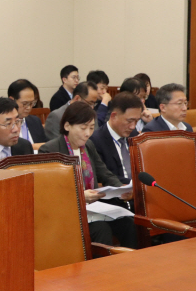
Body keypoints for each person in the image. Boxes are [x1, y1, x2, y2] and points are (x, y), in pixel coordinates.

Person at [39, 102, 137, 249]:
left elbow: (104, 172)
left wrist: (120, 188)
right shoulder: (50, 150)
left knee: (128, 222)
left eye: (91, 128)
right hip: (68, 211)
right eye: (83, 128)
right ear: (67, 126)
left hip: (94, 208)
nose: (87, 133)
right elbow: (49, 191)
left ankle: (129, 266)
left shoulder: (88, 146)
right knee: (101, 229)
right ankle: (100, 271)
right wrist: (80, 196)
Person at [143, 83, 196, 172]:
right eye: (179, 103)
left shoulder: (187, 127)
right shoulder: (152, 130)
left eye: (185, 103)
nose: (184, 108)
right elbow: (162, 164)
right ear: (163, 107)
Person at [89, 92, 143, 184]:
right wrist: (135, 183)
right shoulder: (96, 140)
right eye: (129, 121)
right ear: (114, 116)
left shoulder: (134, 136)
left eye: (137, 121)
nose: (133, 126)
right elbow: (103, 176)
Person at [7, 79, 48, 144]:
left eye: (32, 103)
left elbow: (45, 145)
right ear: (12, 100)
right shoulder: (5, 124)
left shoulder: (35, 121)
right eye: (25, 103)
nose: (29, 107)